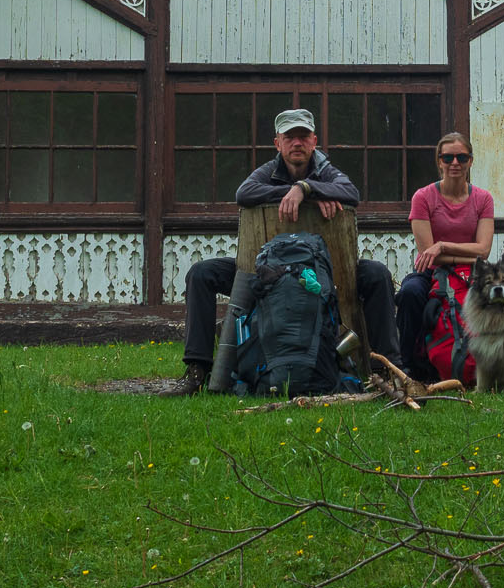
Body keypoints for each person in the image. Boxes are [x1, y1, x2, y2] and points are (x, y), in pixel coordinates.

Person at [172, 107, 401, 394]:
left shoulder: (325, 170)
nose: (297, 143)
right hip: (266, 272)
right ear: (277, 143)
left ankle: (387, 370)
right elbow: (244, 193)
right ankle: (197, 370)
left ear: (314, 141)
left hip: (330, 271)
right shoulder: (268, 171)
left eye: (303, 136)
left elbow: (351, 192)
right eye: (289, 137)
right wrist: (297, 191)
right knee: (201, 273)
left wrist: (307, 188)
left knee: (377, 274)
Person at [395, 132, 495, 379]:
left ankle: (500, 361)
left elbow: (483, 250)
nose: (455, 163)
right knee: (409, 294)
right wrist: (446, 251)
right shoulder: (423, 197)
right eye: (448, 157)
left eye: (461, 157)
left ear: (470, 161)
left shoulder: (483, 198)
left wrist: (442, 246)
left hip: (474, 272)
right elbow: (427, 254)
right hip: (431, 273)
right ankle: (409, 365)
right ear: (439, 161)